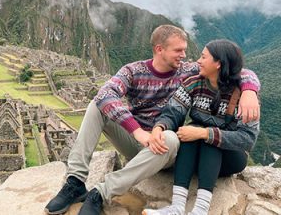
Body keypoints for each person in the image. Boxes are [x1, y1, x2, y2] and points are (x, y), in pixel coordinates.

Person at [44, 25, 260, 215]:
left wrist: (249, 90)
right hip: (138, 140)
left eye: (185, 50)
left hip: (166, 147)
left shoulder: (189, 71)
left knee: (170, 138)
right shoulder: (133, 71)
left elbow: (232, 67)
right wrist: (138, 131)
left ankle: (101, 192)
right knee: (97, 105)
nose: (185, 56)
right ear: (159, 49)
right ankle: (75, 181)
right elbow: (105, 94)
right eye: (178, 50)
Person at [143, 39, 260, 215]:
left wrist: (205, 133)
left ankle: (200, 210)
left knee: (207, 137)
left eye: (203, 57)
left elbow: (247, 140)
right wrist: (159, 127)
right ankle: (177, 207)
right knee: (189, 132)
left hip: (230, 158)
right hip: (198, 157)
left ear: (218, 63)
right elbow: (173, 112)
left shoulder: (245, 96)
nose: (198, 60)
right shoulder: (193, 82)